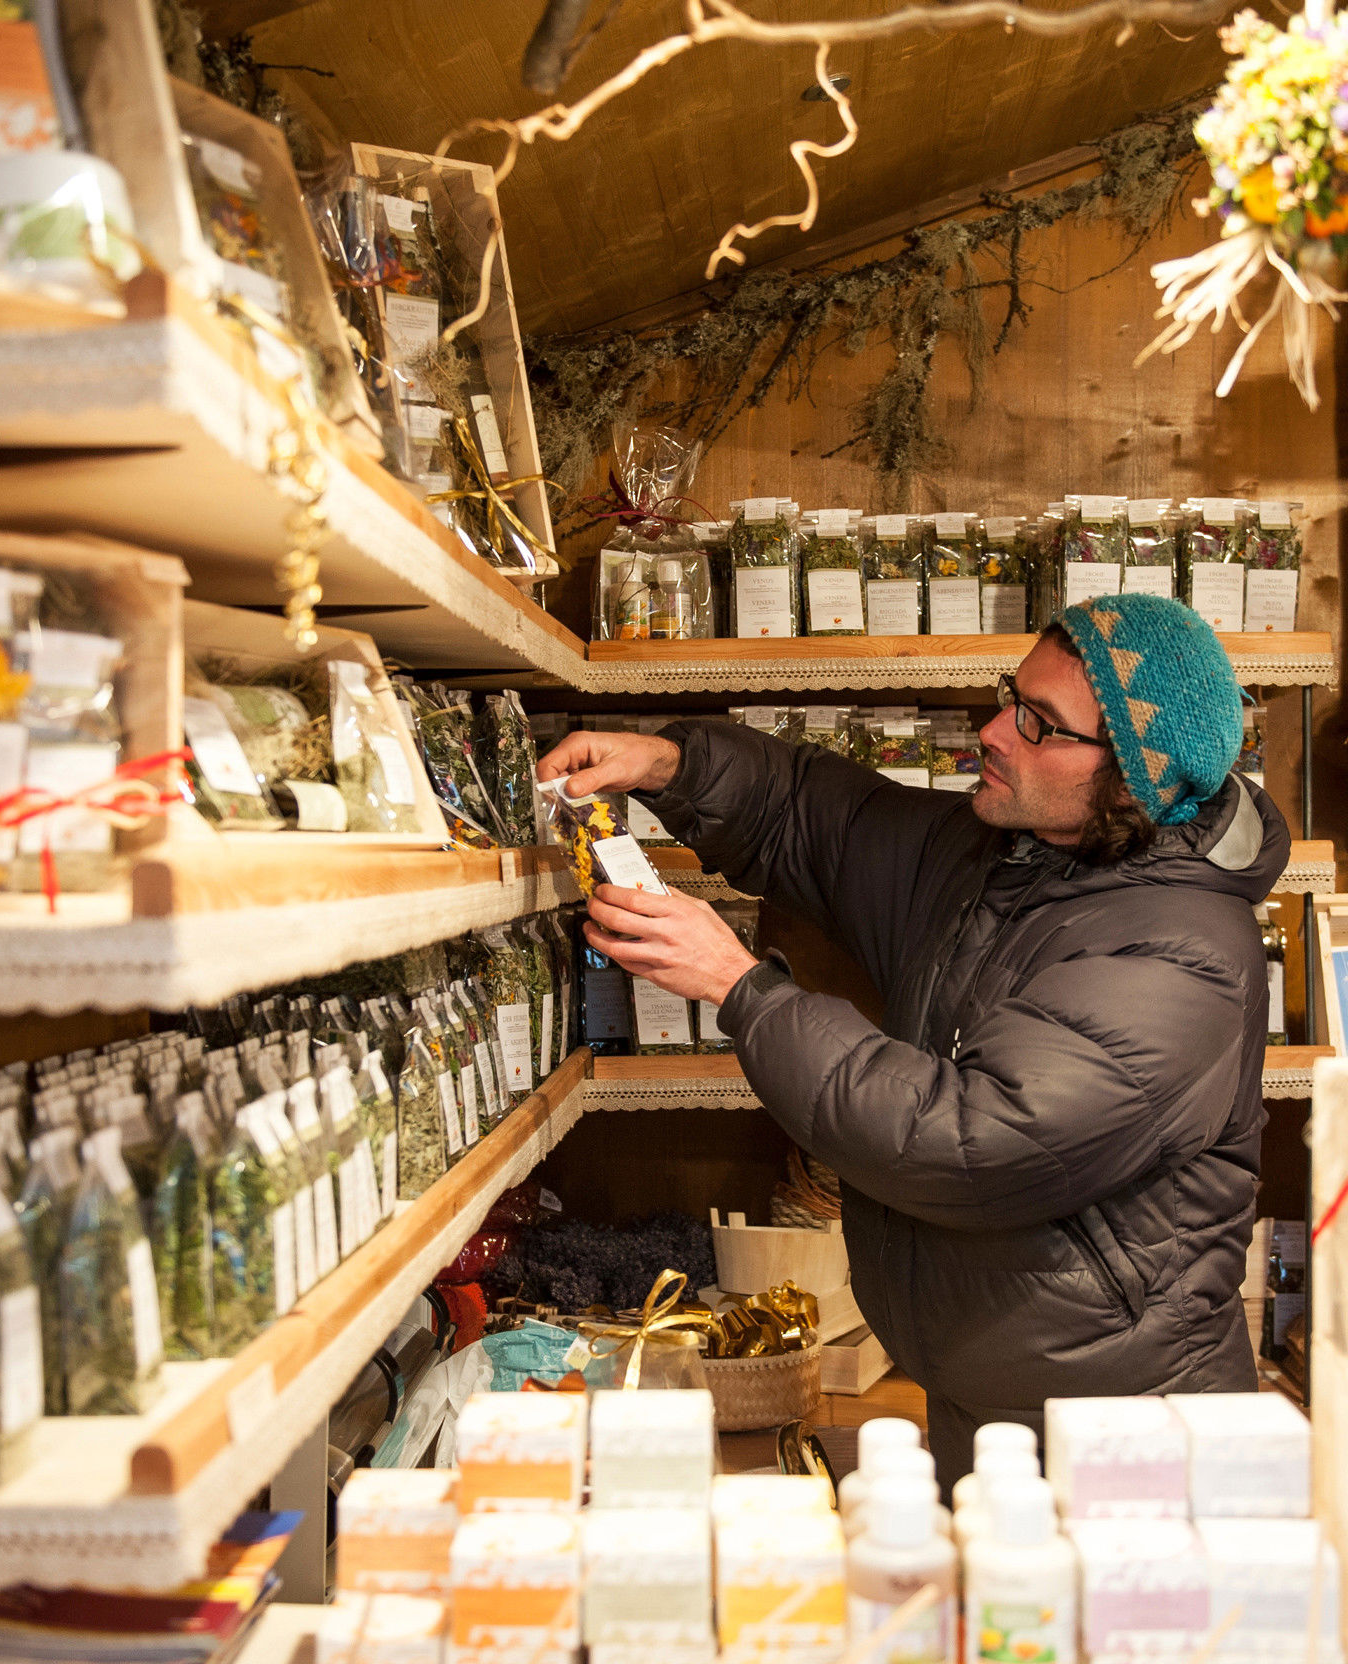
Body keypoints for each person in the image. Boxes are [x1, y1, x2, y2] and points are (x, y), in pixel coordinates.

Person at [537, 593, 1285, 1486]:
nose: (994, 732)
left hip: (1124, 1434)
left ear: (1129, 774)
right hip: (998, 1395)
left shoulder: (1180, 952)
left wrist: (740, 987)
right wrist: (667, 765)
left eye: (1038, 724)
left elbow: (973, 1143)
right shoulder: (1008, 857)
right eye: (1012, 695)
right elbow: (820, 819)